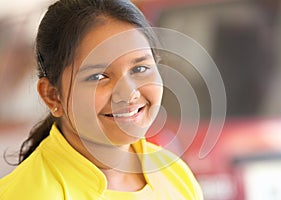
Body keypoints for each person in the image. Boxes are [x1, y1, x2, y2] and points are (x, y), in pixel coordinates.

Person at [0, 0, 203, 199]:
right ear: (53, 96)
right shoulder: (31, 193)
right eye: (98, 76)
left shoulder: (174, 173)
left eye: (140, 68)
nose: (128, 93)